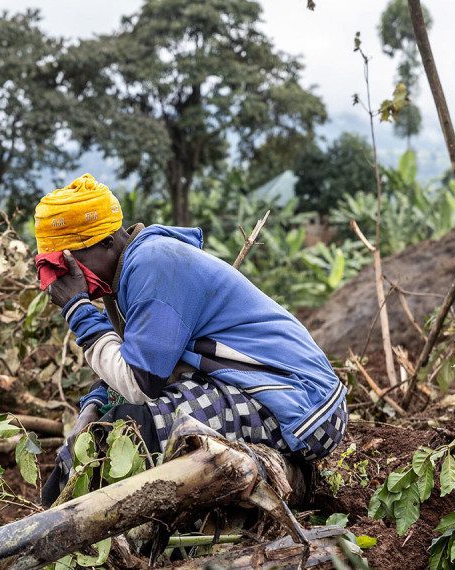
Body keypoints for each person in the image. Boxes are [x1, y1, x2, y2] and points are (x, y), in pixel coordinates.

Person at [34, 174, 348, 506]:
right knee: (111, 424)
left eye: (71, 264)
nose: (70, 277)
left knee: (126, 431)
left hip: (304, 408)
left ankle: (54, 524)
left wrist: (78, 309)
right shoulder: (130, 271)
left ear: (108, 242)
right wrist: (93, 405)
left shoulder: (153, 263)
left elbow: (140, 383)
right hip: (271, 395)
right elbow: (136, 359)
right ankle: (55, 517)